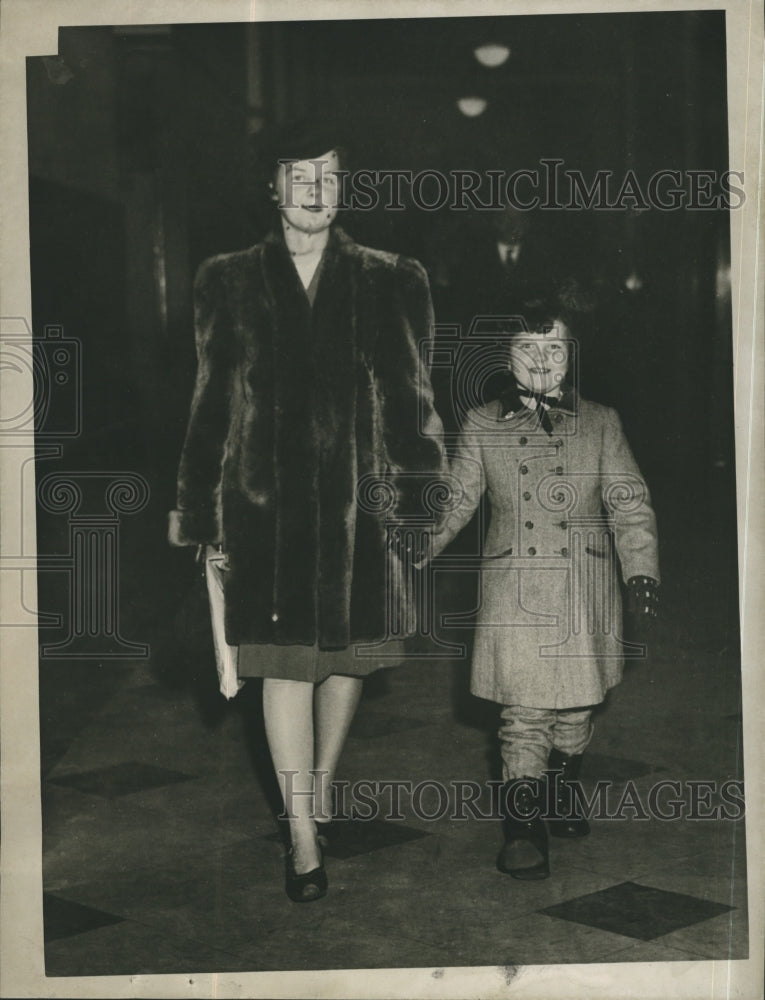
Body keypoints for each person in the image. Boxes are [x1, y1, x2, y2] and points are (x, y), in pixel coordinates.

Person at [169, 119, 446, 901]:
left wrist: (418, 502)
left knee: (347, 660)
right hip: (263, 513)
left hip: (363, 512)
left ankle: (321, 781)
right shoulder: (227, 279)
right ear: (272, 188)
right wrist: (199, 513)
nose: (316, 192)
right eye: (300, 177)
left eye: (329, 177)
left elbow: (411, 399)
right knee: (284, 669)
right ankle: (299, 834)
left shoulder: (392, 277)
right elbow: (210, 403)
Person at [431, 288, 659, 879]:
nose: (541, 361)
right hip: (516, 590)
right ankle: (523, 826)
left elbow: (629, 502)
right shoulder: (483, 423)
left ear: (572, 355)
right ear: (503, 355)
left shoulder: (601, 422)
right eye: (526, 348)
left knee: (577, 708)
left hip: (583, 590)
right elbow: (456, 501)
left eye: (554, 349)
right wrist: (412, 548)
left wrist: (640, 571)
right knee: (524, 714)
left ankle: (562, 784)